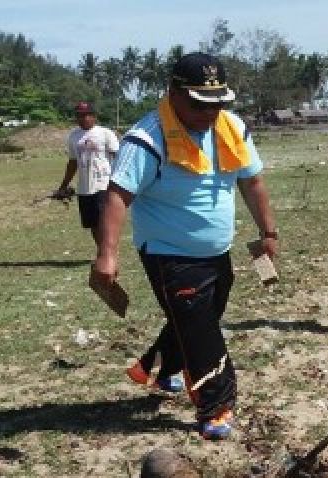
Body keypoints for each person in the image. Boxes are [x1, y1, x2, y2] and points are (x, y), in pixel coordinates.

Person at [93, 52, 278, 441]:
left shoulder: (232, 129)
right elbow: (116, 196)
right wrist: (107, 254)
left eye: (217, 105)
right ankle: (216, 405)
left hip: (216, 250)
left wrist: (268, 232)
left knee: (200, 317)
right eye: (198, 104)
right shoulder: (147, 139)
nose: (208, 114)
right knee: (202, 332)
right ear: (173, 93)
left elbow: (252, 182)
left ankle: (154, 370)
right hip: (168, 252)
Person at [53, 102, 119, 244]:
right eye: (79, 115)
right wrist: (63, 185)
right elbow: (72, 162)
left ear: (93, 116)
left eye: (85, 115)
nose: (82, 118)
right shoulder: (73, 136)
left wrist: (119, 181)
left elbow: (117, 157)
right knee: (93, 224)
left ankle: (107, 254)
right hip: (84, 187)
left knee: (103, 221)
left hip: (103, 184)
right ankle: (102, 252)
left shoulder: (105, 133)